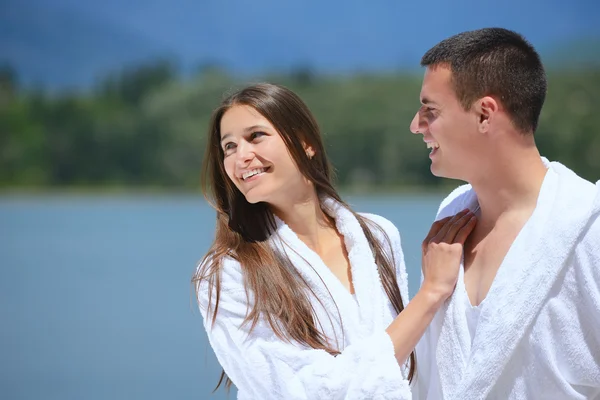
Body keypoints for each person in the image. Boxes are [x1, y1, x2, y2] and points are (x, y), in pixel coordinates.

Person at [192, 83, 476, 399]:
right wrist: (432, 293)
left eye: (255, 136)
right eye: (228, 147)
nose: (241, 156)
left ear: (306, 142)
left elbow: (409, 365)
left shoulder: (377, 236)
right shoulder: (228, 271)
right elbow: (300, 391)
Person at [410, 27, 600, 399]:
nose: (416, 125)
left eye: (430, 110)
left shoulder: (588, 226)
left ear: (485, 114)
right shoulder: (449, 222)